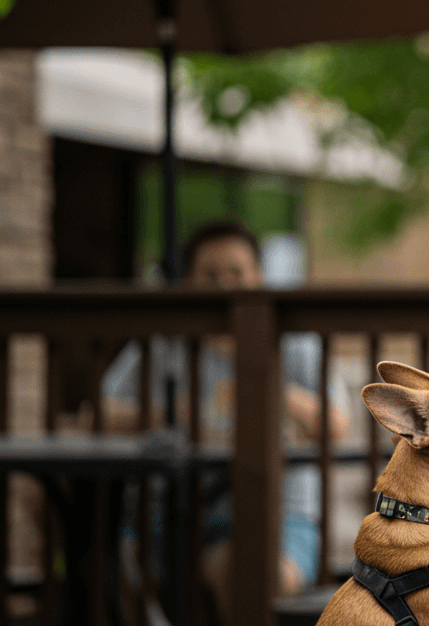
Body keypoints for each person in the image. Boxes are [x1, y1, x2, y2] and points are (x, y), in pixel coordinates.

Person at [97, 219, 350, 617]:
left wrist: (269, 390)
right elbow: (100, 411)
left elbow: (337, 425)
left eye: (236, 273)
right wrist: (165, 412)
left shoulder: (294, 340)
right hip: (171, 510)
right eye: (210, 276)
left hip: (281, 511)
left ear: (259, 277)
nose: (224, 286)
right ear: (188, 285)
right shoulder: (167, 341)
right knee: (110, 567)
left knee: (250, 576)